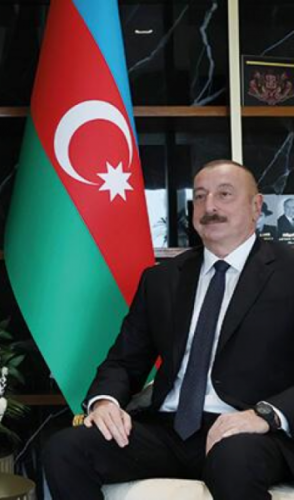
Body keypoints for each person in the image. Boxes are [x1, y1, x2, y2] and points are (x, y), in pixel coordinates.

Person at [43, 160, 294, 500]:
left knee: (232, 460)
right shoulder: (162, 280)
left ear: (256, 206)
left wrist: (266, 415)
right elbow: (124, 361)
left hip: (251, 431)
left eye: (224, 194)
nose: (210, 206)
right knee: (65, 449)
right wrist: (104, 403)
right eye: (200, 196)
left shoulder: (288, 271)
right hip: (169, 430)